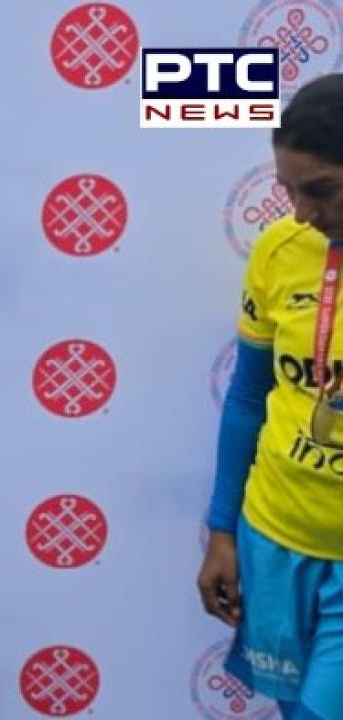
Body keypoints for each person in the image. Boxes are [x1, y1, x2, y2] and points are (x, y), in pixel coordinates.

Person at [199, 72, 343, 720]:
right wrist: (223, 531)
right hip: (275, 537)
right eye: (289, 190)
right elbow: (249, 396)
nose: (303, 212)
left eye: (321, 190)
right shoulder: (281, 250)